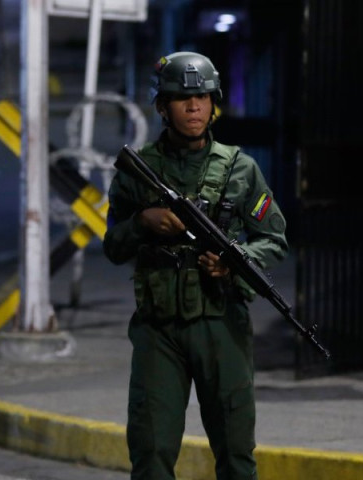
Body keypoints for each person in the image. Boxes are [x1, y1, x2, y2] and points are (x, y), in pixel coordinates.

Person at [103, 51, 289, 480]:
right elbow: (113, 246)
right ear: (162, 107)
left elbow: (273, 239)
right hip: (159, 329)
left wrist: (237, 261)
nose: (194, 108)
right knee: (151, 451)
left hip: (221, 323)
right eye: (183, 99)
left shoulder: (240, 168)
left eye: (203, 98)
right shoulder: (139, 170)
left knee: (236, 451)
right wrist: (141, 222)